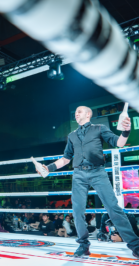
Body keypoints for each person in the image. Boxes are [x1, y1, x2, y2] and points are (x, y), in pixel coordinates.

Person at [33, 106, 139, 258]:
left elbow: (119, 143)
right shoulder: (72, 135)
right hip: (79, 174)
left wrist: (126, 131)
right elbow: (65, 159)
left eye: (80, 111)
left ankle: (135, 245)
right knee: (77, 211)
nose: (76, 114)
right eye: (75, 112)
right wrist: (48, 168)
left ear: (89, 114)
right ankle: (83, 245)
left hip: (97, 172)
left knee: (113, 208)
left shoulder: (99, 128)